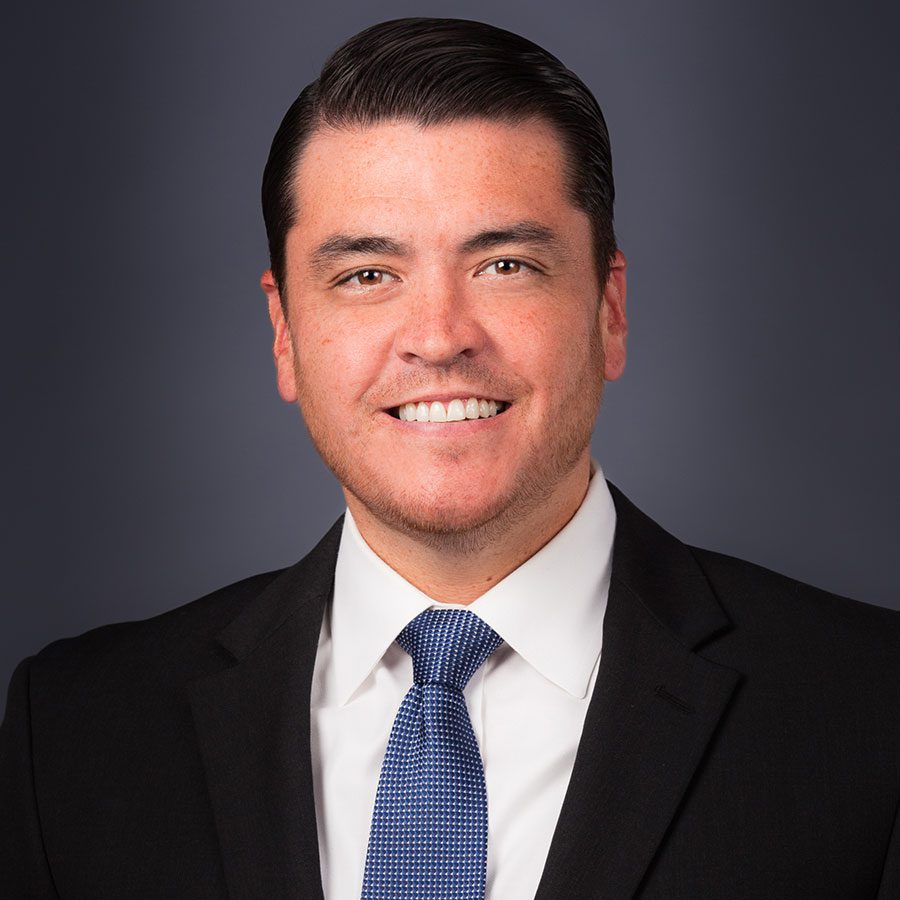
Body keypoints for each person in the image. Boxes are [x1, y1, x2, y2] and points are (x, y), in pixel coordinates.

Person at [2, 16, 898, 900]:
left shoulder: (867, 714)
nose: (437, 338)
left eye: (505, 265)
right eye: (366, 275)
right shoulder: (75, 734)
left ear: (609, 310)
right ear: (284, 335)